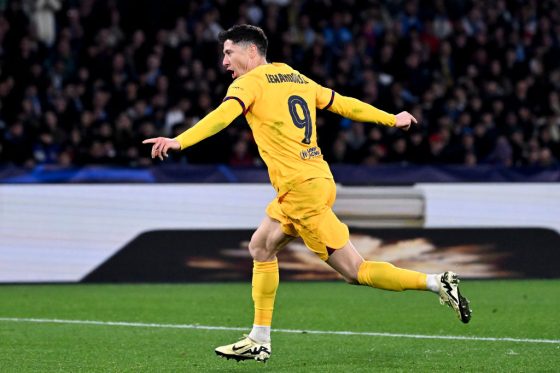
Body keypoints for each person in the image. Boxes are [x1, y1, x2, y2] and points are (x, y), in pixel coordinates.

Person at [143, 24, 471, 363]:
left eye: (229, 52)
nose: (224, 61)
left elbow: (222, 117)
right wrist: (391, 118)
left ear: (251, 51)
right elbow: (342, 104)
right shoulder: (293, 76)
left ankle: (436, 282)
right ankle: (259, 338)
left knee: (355, 271)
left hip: (301, 191)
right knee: (261, 245)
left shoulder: (248, 83)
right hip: (314, 180)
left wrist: (179, 140)